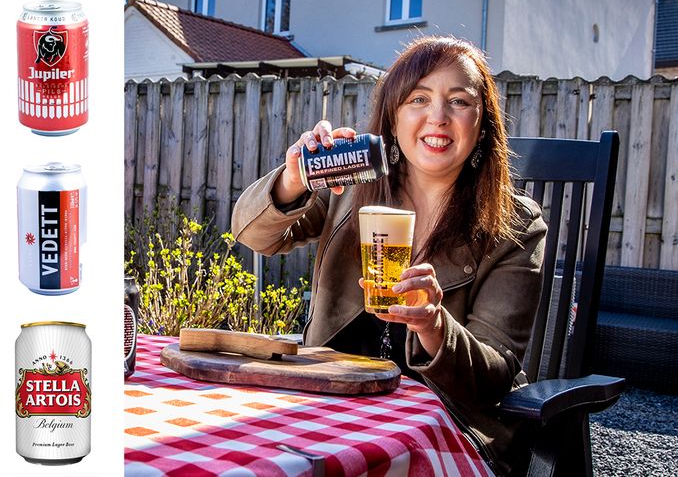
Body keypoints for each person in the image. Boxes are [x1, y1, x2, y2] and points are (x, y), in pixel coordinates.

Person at [232, 35, 546, 476]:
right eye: (419, 98)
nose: (438, 117)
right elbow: (252, 233)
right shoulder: (354, 184)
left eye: (459, 101)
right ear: (393, 118)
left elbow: (492, 375)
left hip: (442, 427)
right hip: (331, 405)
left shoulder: (514, 223)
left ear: (482, 123)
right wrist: (294, 177)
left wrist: (435, 326)